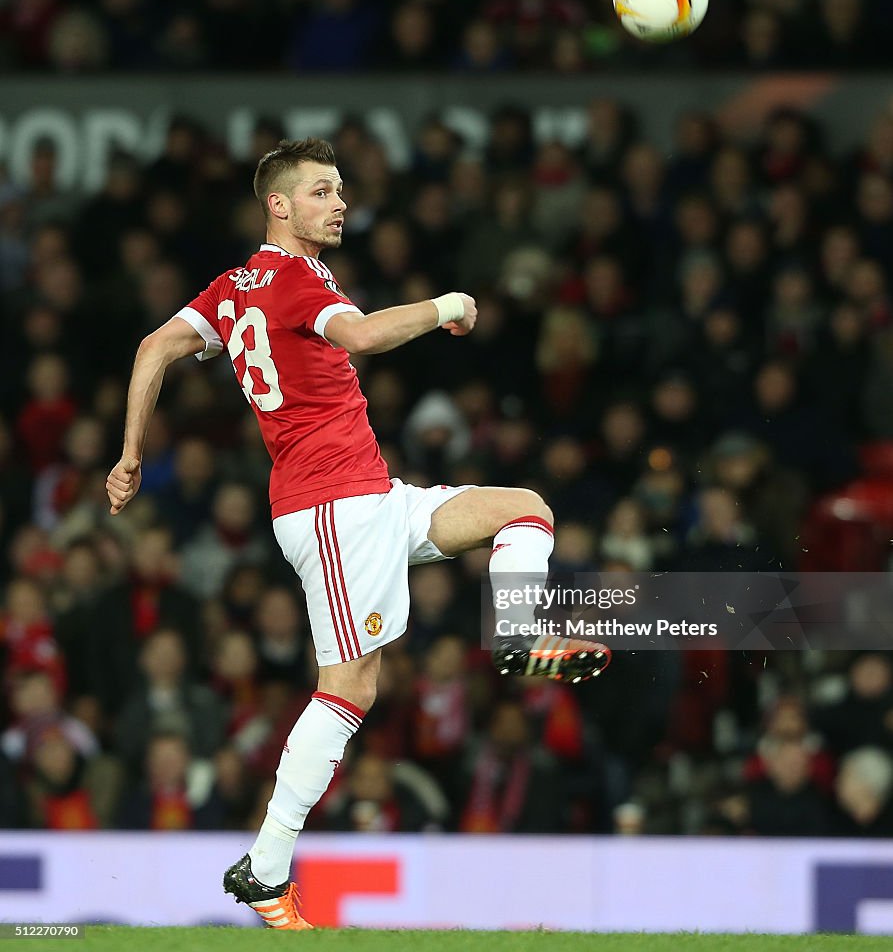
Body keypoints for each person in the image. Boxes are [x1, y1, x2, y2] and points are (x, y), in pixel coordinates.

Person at [105, 137, 610, 930]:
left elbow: (153, 347)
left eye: (340, 190)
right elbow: (365, 336)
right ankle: (266, 869)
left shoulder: (232, 288)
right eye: (321, 191)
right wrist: (447, 305)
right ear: (279, 204)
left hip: (370, 496)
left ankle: (518, 632)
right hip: (329, 506)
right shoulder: (295, 277)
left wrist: (131, 453)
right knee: (350, 687)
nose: (338, 203)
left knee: (524, 508)